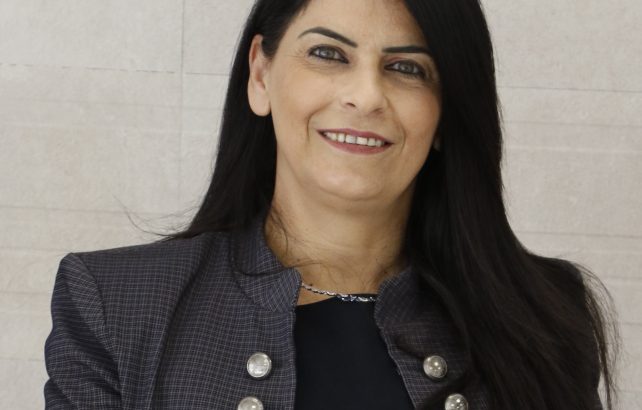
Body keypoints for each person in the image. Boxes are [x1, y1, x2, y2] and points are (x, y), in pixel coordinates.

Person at [43, 0, 620, 409]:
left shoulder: (544, 314)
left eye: (406, 68)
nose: (366, 96)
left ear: (445, 112)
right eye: (328, 53)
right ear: (261, 75)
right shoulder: (115, 304)